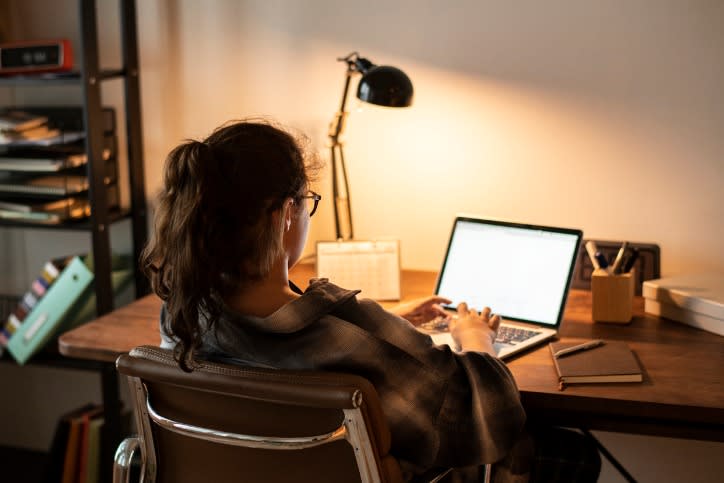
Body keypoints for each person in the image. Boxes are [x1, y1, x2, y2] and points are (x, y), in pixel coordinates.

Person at [141, 119, 600, 482]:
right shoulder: (347, 334)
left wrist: (389, 324)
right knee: (554, 449)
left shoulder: (182, 316)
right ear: (285, 215)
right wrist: (476, 338)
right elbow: (486, 415)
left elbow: (282, 346)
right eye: (307, 200)